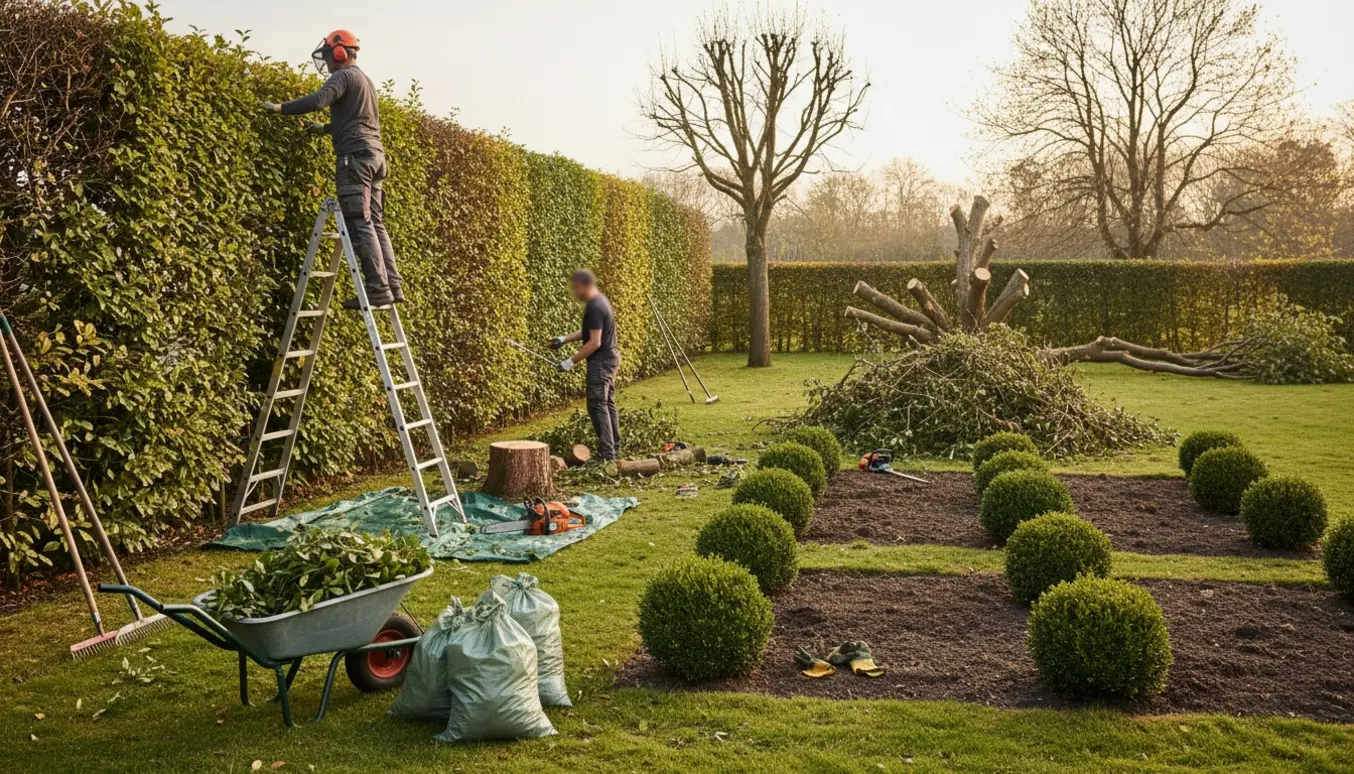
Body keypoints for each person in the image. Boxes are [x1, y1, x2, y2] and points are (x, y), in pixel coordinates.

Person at [259, 30, 403, 309]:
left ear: (339, 52)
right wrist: (325, 129)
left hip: (355, 159)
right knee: (375, 221)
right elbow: (354, 121)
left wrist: (279, 108)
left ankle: (376, 290)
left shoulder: (343, 76)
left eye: (329, 56)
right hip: (375, 157)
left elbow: (317, 101)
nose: (328, 62)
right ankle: (392, 286)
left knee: (359, 222)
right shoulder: (366, 81)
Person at [547, 270, 621, 461]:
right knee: (607, 404)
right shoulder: (599, 301)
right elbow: (589, 331)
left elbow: (594, 342)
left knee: (597, 405)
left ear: (585, 285)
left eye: (576, 287)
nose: (575, 291)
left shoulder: (595, 307)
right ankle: (614, 448)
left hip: (601, 362)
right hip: (610, 358)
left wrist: (570, 362)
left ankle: (608, 455)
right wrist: (564, 339)